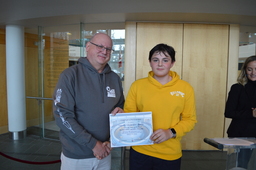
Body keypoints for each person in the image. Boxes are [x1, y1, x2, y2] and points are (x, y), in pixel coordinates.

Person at [53, 33, 125, 170]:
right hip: (76, 156)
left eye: (108, 49)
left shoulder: (114, 78)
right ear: (87, 46)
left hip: (105, 153)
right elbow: (62, 116)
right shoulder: (70, 75)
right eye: (100, 46)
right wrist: (93, 144)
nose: (104, 51)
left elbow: (120, 106)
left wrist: (110, 140)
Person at [124, 43, 197, 170]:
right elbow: (130, 115)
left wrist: (171, 132)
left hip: (169, 154)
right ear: (150, 62)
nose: (160, 64)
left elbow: (190, 120)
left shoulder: (185, 88)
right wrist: (121, 115)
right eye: (155, 60)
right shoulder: (137, 86)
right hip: (140, 151)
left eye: (165, 60)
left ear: (172, 63)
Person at [224, 55, 256, 169]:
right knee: (242, 165)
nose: (253, 73)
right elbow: (229, 112)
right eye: (250, 69)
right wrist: (251, 113)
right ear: (245, 70)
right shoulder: (237, 88)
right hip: (241, 134)